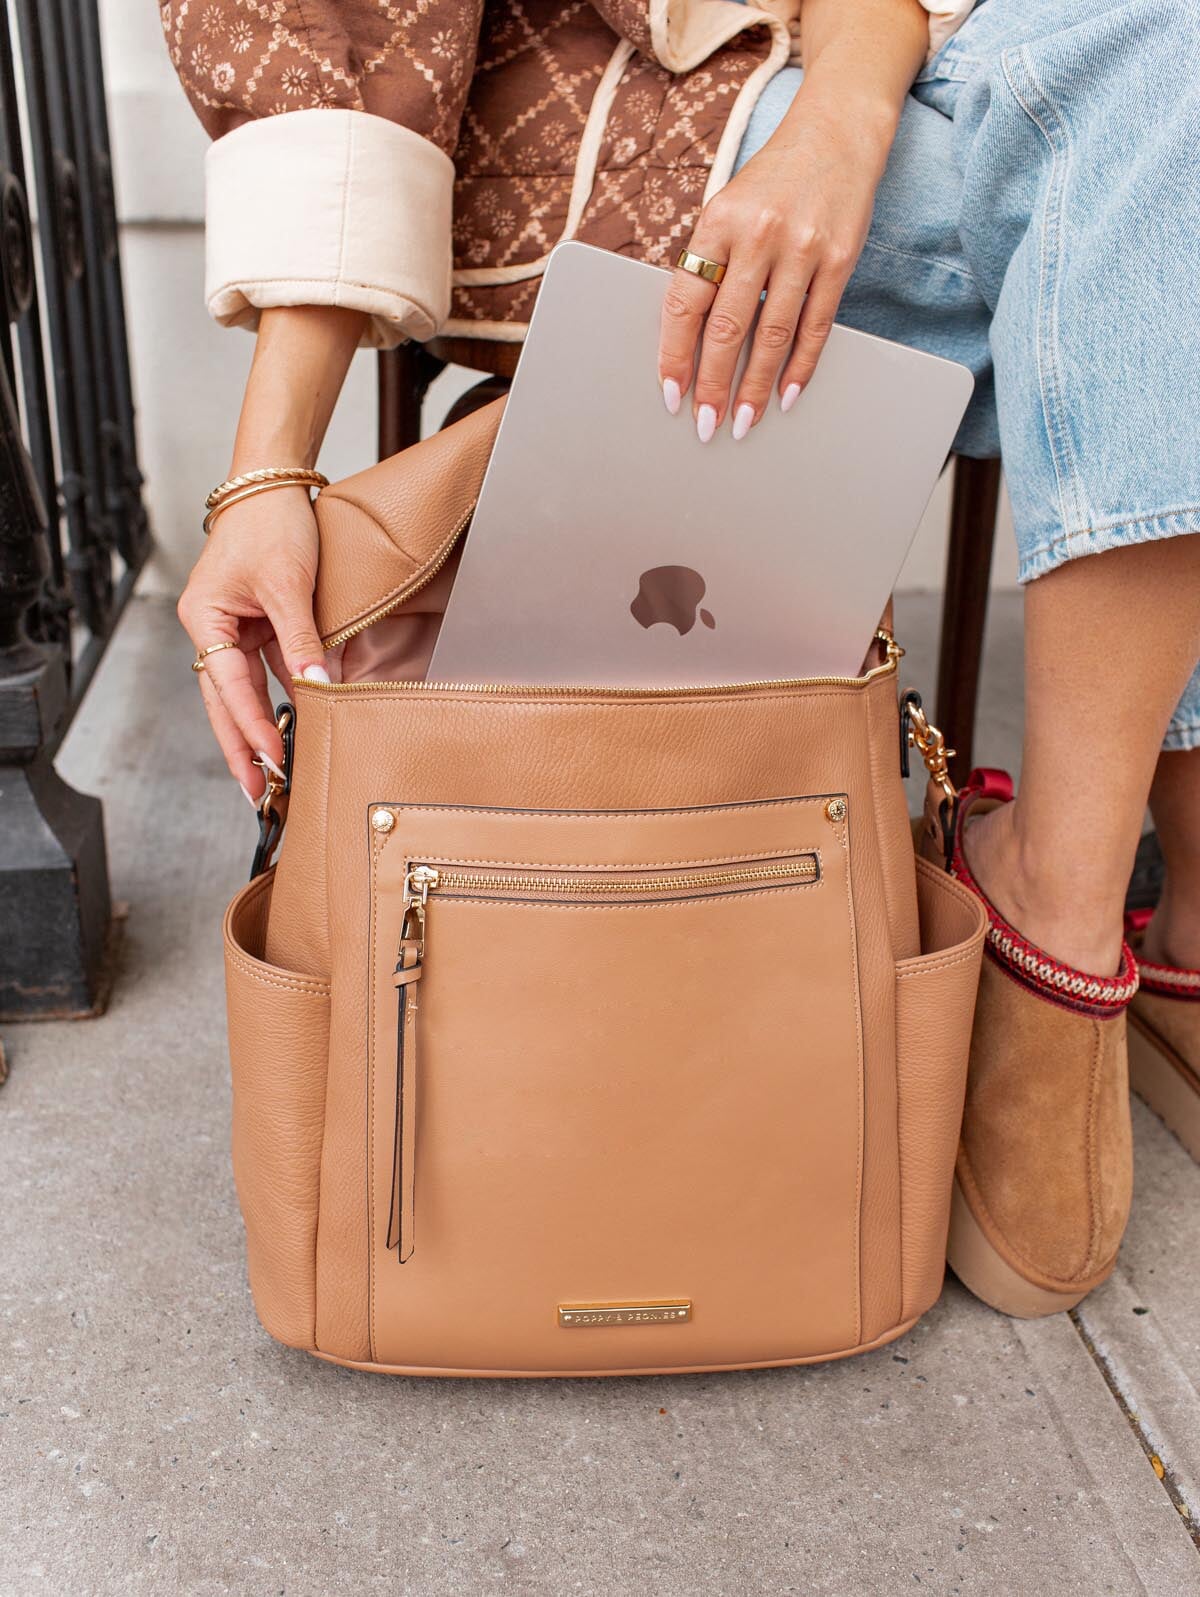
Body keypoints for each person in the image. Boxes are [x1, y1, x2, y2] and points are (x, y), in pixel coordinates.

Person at [165, 0, 1200, 1317]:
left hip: (917, 50)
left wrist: (844, 112)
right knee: (1156, 166)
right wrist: (267, 471)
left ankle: (1071, 901)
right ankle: (1090, 919)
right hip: (644, 88)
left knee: (1165, 73)